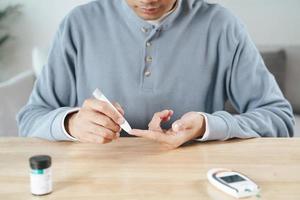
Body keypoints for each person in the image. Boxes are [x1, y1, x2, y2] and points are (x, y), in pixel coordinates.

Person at [17, 0, 294, 149]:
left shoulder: (222, 26)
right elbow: (30, 118)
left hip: (195, 183)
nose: (147, 0)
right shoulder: (79, 24)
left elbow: (279, 118)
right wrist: (70, 123)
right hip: (92, 183)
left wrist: (206, 126)